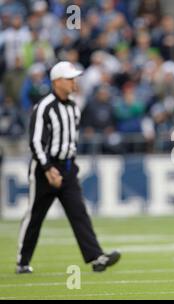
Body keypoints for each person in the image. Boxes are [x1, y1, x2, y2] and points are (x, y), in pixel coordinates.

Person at [16, 61, 121, 274]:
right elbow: (36, 142)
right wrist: (47, 168)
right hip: (45, 168)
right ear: (57, 82)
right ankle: (22, 261)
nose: (74, 83)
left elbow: (70, 139)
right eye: (70, 79)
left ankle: (96, 257)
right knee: (35, 215)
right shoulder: (44, 107)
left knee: (79, 213)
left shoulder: (73, 107)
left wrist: (71, 165)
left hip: (67, 166)